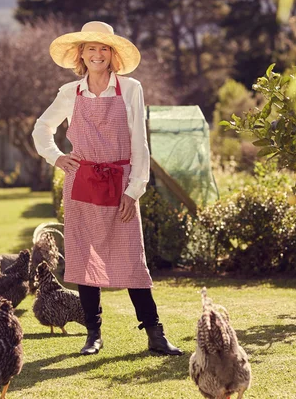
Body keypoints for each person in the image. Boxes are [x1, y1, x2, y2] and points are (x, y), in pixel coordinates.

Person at [32, 21, 182, 356]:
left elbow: (140, 144)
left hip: (121, 184)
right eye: (91, 48)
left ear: (112, 55)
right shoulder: (70, 92)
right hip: (81, 183)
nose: (97, 54)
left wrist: (134, 190)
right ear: (81, 55)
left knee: (132, 260)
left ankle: (155, 334)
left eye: (103, 48)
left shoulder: (130, 89)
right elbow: (42, 127)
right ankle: (93, 334)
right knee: (85, 259)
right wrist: (56, 157)